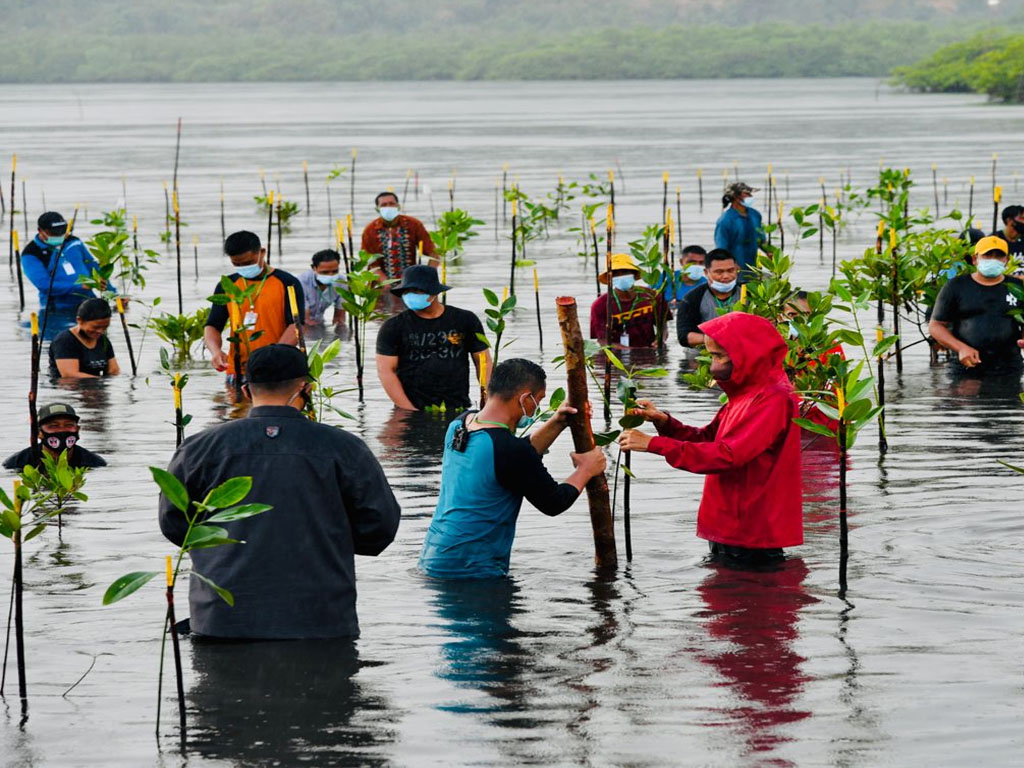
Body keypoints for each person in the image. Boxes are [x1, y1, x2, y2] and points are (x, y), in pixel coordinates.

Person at [159, 344, 401, 640]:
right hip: (320, 616)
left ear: (246, 391)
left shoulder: (200, 447)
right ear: (306, 389)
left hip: (222, 618)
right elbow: (380, 526)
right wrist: (326, 541)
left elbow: (174, 522)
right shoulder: (344, 447)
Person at [619, 312, 803, 565]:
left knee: (757, 597)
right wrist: (664, 422)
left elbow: (728, 455)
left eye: (719, 356)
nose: (714, 364)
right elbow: (708, 438)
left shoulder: (773, 399)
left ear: (745, 353)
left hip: (752, 527)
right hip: (729, 520)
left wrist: (653, 444)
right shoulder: (745, 392)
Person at [419, 358, 607, 579]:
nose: (537, 407)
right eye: (538, 400)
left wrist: (558, 422)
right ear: (525, 398)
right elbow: (554, 502)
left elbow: (511, 458)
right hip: (472, 570)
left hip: (434, 557)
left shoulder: (460, 425)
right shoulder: (510, 451)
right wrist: (585, 469)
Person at [375, 265, 491, 411]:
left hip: (458, 406)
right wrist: (408, 410)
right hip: (411, 407)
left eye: (417, 291)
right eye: (407, 291)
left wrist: (486, 400)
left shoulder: (465, 320)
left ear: (433, 292)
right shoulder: (393, 327)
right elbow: (385, 371)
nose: (411, 295)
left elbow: (483, 361)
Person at [204, 231, 304, 385]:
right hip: (237, 371)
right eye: (237, 264)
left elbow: (296, 325)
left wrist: (272, 357)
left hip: (276, 369)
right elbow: (213, 325)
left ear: (262, 253)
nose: (243, 267)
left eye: (248, 262)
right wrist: (216, 352)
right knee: (236, 408)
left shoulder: (287, 283)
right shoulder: (227, 285)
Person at [929, 235, 1024, 376]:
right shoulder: (956, 286)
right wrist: (961, 348)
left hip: (1009, 365)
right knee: (964, 397)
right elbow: (936, 325)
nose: (993, 260)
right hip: (966, 364)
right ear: (975, 259)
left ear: (1007, 260)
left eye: (999, 256)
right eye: (987, 255)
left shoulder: (1017, 287)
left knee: (1010, 398)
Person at [21, 211, 115, 316]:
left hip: (88, 303)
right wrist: (80, 286)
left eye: (61, 232)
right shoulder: (31, 254)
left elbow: (93, 267)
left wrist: (114, 294)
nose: (58, 235)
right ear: (40, 231)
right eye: (53, 233)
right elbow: (44, 286)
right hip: (57, 310)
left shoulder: (74, 242)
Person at [589, 253, 670, 348]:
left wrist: (659, 340)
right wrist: (627, 351)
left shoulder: (652, 296)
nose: (621, 276)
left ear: (634, 274)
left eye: (625, 272)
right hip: (617, 355)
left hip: (649, 351)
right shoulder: (600, 305)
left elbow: (663, 327)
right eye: (615, 273)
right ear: (609, 278)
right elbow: (602, 339)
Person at [3, 402, 106, 471]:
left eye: (68, 425)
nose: (61, 430)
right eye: (53, 426)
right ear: (39, 433)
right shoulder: (17, 463)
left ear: (78, 430)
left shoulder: (94, 463)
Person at [361, 191, 438, 283]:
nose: (388, 207)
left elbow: (434, 254)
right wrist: (385, 283)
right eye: (384, 205)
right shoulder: (370, 230)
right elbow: (371, 263)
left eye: (391, 204)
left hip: (411, 282)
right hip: (381, 284)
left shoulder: (413, 224)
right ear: (377, 209)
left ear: (398, 206)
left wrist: (426, 277)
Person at [676, 248, 742, 348]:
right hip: (704, 355)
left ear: (737, 269)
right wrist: (717, 340)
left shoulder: (749, 292)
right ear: (706, 272)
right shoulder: (692, 298)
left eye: (730, 270)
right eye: (719, 272)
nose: (726, 276)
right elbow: (684, 337)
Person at [48, 298, 120, 379]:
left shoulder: (103, 340)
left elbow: (114, 370)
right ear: (79, 320)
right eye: (95, 327)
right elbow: (70, 375)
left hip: (95, 386)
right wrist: (100, 381)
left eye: (105, 327)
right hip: (69, 389)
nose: (100, 331)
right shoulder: (65, 341)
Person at [714, 182, 763, 278]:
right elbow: (722, 249)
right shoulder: (725, 220)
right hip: (735, 268)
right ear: (736, 197)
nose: (751, 196)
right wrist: (730, 265)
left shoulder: (755, 215)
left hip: (753, 266)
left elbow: (761, 239)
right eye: (747, 194)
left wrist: (770, 253)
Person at [298, 249, 346, 326]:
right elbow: (305, 320)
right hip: (301, 322)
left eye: (335, 271)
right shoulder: (301, 282)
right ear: (314, 268)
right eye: (325, 272)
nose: (330, 275)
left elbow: (339, 318)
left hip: (319, 321)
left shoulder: (341, 282)